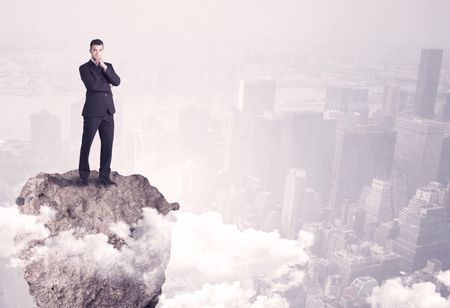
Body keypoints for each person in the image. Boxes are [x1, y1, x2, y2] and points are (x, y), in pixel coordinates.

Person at [78, 39, 121, 186]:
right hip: (92, 112)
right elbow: (93, 85)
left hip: (108, 111)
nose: (98, 53)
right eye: (95, 50)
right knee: (86, 144)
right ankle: (83, 176)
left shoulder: (108, 66)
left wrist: (104, 68)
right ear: (90, 51)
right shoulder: (84, 68)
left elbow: (116, 81)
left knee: (107, 145)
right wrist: (107, 84)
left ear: (103, 51)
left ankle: (104, 177)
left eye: (100, 50)